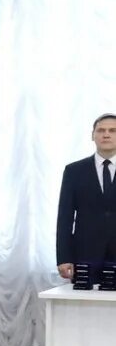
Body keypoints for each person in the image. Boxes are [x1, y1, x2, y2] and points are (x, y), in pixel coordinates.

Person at [55, 113, 116, 281]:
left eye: (112, 130)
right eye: (101, 130)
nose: (106, 134)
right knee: (83, 305)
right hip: (85, 256)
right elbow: (65, 217)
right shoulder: (74, 171)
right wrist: (63, 257)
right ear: (93, 135)